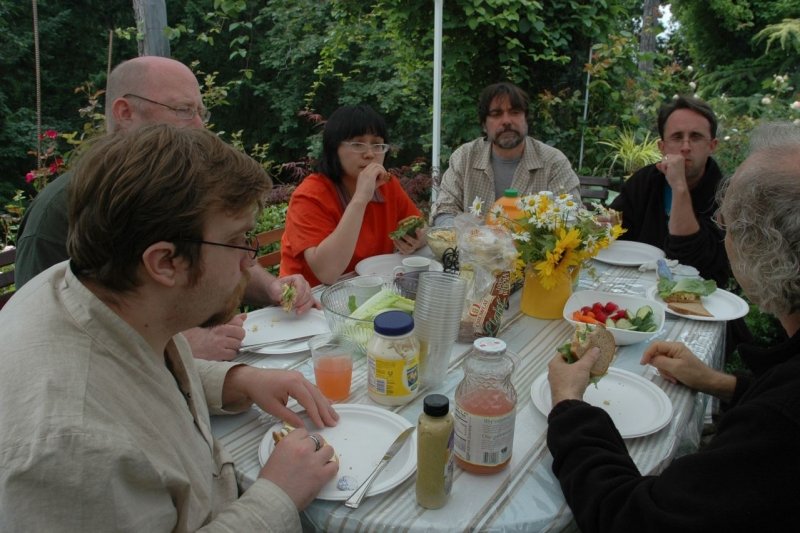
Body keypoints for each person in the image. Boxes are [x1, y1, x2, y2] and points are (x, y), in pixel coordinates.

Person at [0, 124, 339, 531]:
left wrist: (237, 380)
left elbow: (135, 370)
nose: (249, 261)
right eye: (237, 240)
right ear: (164, 262)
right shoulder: (74, 453)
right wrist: (277, 496)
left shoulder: (98, 292)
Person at [545, 143, 800, 532]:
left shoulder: (778, 425)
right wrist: (720, 383)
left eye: (726, 224)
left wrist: (568, 404)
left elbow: (633, 517)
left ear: (762, 248)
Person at [14, 55, 315, 360]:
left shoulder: (188, 184)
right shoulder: (57, 211)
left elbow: (220, 255)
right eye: (183, 110)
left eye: (201, 113)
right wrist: (177, 345)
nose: (199, 125)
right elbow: (42, 338)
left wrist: (273, 288)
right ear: (125, 112)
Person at [280, 104, 425, 286]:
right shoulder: (309, 196)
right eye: (358, 144)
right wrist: (360, 199)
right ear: (334, 148)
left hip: (371, 287)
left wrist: (417, 239)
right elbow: (327, 273)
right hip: (310, 297)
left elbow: (421, 226)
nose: (370, 154)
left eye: (377, 145)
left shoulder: (387, 185)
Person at [609, 95, 728, 285]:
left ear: (712, 146)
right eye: (677, 137)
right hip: (637, 284)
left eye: (696, 137)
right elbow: (617, 231)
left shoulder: (727, 195)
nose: (686, 147)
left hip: (701, 292)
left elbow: (697, 261)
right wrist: (604, 228)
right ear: (662, 147)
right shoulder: (644, 181)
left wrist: (679, 187)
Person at [430, 81, 580, 227]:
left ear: (526, 119)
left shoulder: (553, 162)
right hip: (472, 244)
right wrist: (460, 234)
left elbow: (572, 215)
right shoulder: (464, 157)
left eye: (515, 112)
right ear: (484, 125)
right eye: (496, 114)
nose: (507, 121)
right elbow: (444, 209)